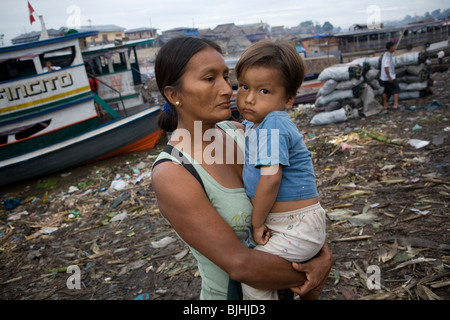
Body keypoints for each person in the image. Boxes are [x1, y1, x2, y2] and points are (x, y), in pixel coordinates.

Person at [150, 37, 332, 300]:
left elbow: (292, 205)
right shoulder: (174, 173)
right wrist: (314, 270)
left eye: (226, 76)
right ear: (174, 95)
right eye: (210, 78)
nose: (227, 89)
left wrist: (318, 250)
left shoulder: (241, 132)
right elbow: (239, 264)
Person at [235, 40, 326, 300]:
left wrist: (256, 222)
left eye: (264, 91)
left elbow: (271, 178)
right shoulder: (256, 124)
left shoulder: (273, 123)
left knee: (255, 277)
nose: (249, 98)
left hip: (296, 226)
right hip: (290, 225)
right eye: (243, 87)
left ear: (288, 99)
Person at [380, 41, 402, 110]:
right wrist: (389, 77)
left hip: (384, 78)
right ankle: (396, 104)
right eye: (394, 46)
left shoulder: (387, 55)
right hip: (389, 77)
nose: (395, 48)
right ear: (391, 47)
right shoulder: (387, 57)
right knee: (396, 89)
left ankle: (385, 105)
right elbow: (386, 68)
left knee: (386, 91)